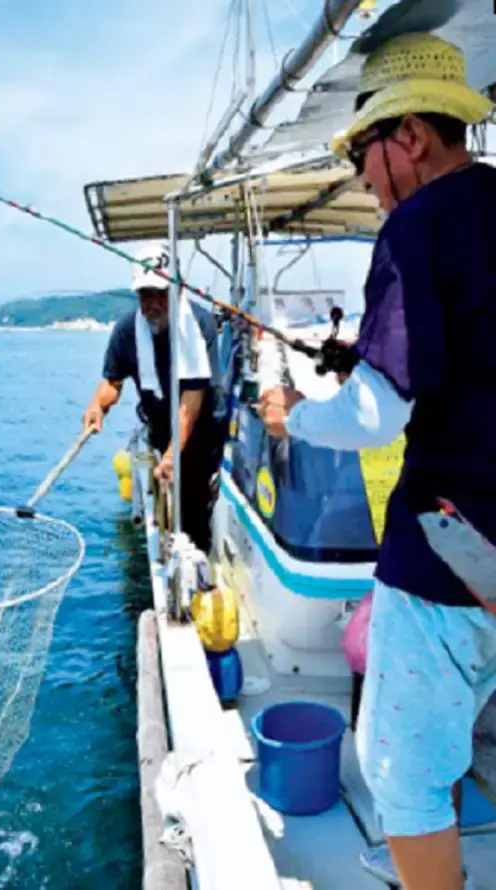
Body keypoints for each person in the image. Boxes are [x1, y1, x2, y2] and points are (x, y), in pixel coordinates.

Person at [259, 32, 496, 890]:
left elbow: (377, 413)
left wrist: (296, 418)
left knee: (400, 771)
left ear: (412, 138)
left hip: (447, 551)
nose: (364, 175)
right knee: (457, 734)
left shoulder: (416, 226)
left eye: (365, 151)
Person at [83, 242, 226, 554]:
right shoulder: (126, 331)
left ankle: (198, 566)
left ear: (178, 290)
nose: (154, 303)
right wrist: (98, 406)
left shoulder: (199, 325)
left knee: (193, 511)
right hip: (160, 429)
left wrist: (174, 454)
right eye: (145, 294)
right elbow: (112, 380)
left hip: (202, 434)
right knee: (165, 504)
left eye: (162, 292)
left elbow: (194, 395)